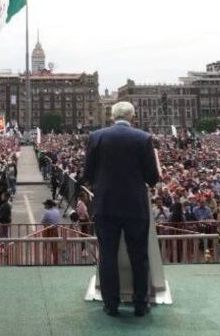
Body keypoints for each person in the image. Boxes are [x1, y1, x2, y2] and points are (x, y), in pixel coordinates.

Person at [83, 101, 160, 317]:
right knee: (139, 256)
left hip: (105, 205)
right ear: (133, 117)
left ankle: (111, 304)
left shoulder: (96, 137)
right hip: (135, 206)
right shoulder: (143, 138)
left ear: (111, 117)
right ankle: (140, 304)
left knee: (107, 255)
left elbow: (86, 173)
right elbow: (152, 178)